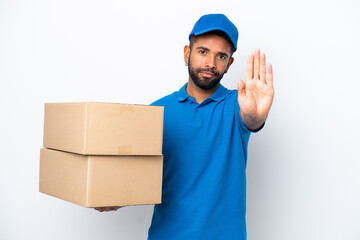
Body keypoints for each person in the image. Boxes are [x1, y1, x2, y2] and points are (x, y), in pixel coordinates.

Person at [96, 13, 274, 240]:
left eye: (221, 56)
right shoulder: (157, 111)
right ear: (187, 53)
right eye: (203, 52)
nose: (210, 63)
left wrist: (255, 116)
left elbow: (251, 120)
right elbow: (135, 173)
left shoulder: (238, 104)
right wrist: (113, 198)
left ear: (229, 64)